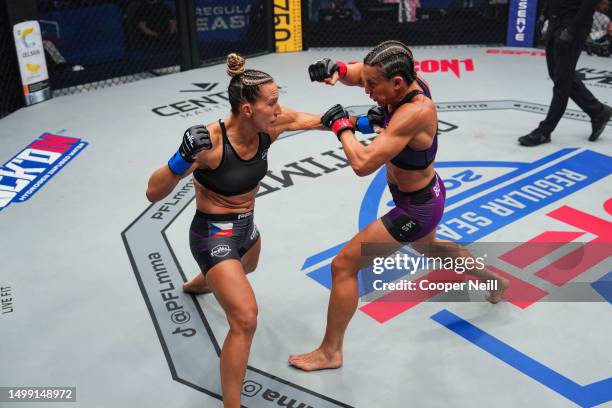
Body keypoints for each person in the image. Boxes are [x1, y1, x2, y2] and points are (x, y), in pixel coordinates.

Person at [289, 40, 510, 372]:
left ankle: (330, 351)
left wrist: (342, 128)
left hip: (415, 209)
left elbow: (362, 164)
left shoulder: (414, 112)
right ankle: (494, 282)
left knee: (344, 266)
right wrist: (338, 70)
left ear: (396, 83)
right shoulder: (402, 80)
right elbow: (364, 72)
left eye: (371, 86)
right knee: (431, 247)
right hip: (427, 192)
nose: (365, 90)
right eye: (366, 83)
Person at [146, 53, 321, 407]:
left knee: (248, 266)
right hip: (213, 234)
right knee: (245, 318)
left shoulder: (269, 126)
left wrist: (359, 123)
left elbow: (309, 119)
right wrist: (181, 157)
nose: (279, 108)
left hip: (246, 229)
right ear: (246, 110)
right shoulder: (210, 144)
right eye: (272, 103)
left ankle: (200, 282)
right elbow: (153, 192)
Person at [518, 0, 612, 146]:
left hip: (573, 23)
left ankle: (544, 131)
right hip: (555, 20)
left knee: (562, 81)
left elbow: (588, 4)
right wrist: (544, 15)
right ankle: (597, 111)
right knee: (557, 74)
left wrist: (572, 30)